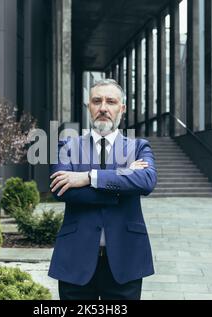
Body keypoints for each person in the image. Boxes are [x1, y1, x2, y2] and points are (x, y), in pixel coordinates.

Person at [48, 79, 157, 300]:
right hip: (75, 259)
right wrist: (123, 183)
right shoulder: (66, 146)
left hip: (126, 259)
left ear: (122, 109)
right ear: (89, 106)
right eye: (97, 101)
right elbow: (62, 190)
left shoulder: (138, 147)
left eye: (111, 101)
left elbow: (146, 181)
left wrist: (89, 177)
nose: (103, 108)